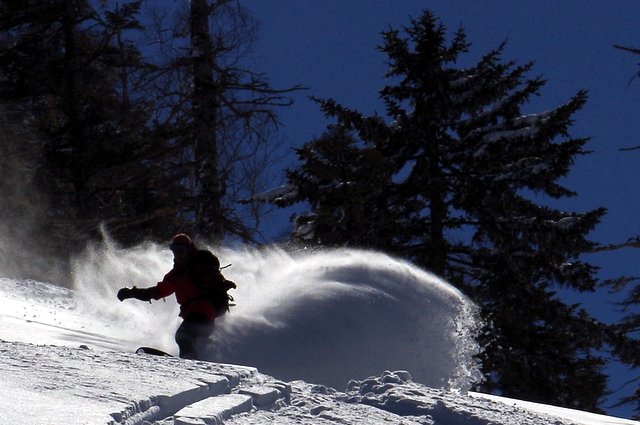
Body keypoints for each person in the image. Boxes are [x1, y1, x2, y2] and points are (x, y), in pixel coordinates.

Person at [117, 233, 232, 359]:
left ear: (189, 249)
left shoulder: (199, 265)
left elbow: (214, 277)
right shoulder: (175, 276)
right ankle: (199, 358)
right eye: (175, 249)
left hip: (204, 311)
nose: (178, 253)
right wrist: (132, 293)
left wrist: (223, 284)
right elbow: (157, 292)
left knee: (183, 336)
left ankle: (190, 361)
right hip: (194, 314)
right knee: (190, 339)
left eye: (182, 249)